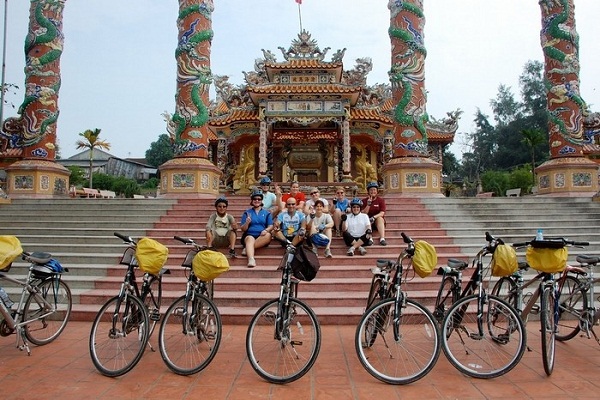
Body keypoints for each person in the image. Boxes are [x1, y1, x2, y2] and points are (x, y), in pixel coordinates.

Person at [240, 190, 274, 268]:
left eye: (259, 199)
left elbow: (270, 226)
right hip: (249, 234)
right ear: (252, 201)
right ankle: (251, 259)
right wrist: (247, 223)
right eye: (255, 199)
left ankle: (247, 248)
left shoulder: (266, 213)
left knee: (268, 235)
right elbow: (243, 229)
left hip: (262, 235)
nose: (257, 200)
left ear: (261, 201)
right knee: (249, 239)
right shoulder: (247, 212)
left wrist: (266, 230)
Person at [362, 181, 387, 246]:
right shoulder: (364, 201)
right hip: (367, 222)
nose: (373, 191)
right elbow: (364, 213)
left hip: (377, 221)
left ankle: (382, 238)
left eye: (374, 190)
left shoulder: (381, 200)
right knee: (366, 218)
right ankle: (370, 238)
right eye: (371, 190)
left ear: (377, 191)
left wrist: (374, 217)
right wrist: (368, 204)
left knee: (380, 218)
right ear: (368, 191)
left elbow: (382, 213)